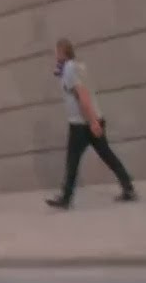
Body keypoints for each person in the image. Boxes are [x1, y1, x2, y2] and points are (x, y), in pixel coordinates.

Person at [46, 38, 137, 209]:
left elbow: (82, 95)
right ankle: (128, 188)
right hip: (90, 119)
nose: (55, 55)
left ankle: (66, 198)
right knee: (107, 156)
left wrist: (93, 121)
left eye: (57, 52)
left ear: (63, 52)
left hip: (82, 123)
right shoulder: (77, 67)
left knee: (72, 160)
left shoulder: (70, 69)